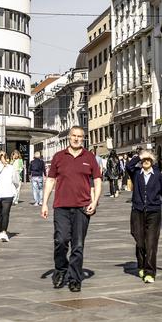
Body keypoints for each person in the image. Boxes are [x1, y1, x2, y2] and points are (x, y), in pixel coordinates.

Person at [41, 125, 101, 293]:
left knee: (78, 245)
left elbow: (97, 181)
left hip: (82, 207)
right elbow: (51, 180)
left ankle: (75, 279)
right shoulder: (59, 157)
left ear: (83, 139)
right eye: (74, 135)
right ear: (69, 137)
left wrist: (94, 202)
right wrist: (44, 203)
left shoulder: (89, 157)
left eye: (80, 136)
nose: (76, 139)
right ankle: (60, 269)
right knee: (60, 241)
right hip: (61, 206)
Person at [126, 149, 162, 283]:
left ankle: (149, 272)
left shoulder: (157, 176)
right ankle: (142, 264)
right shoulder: (137, 173)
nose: (146, 161)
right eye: (144, 160)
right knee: (139, 239)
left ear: (152, 161)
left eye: (149, 159)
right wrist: (139, 156)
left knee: (151, 242)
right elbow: (129, 166)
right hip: (137, 211)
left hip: (154, 212)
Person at [0, 151, 20, 242]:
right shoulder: (11, 168)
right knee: (5, 213)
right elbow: (16, 181)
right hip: (8, 193)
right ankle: (3, 232)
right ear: (7, 157)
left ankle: (0, 230)